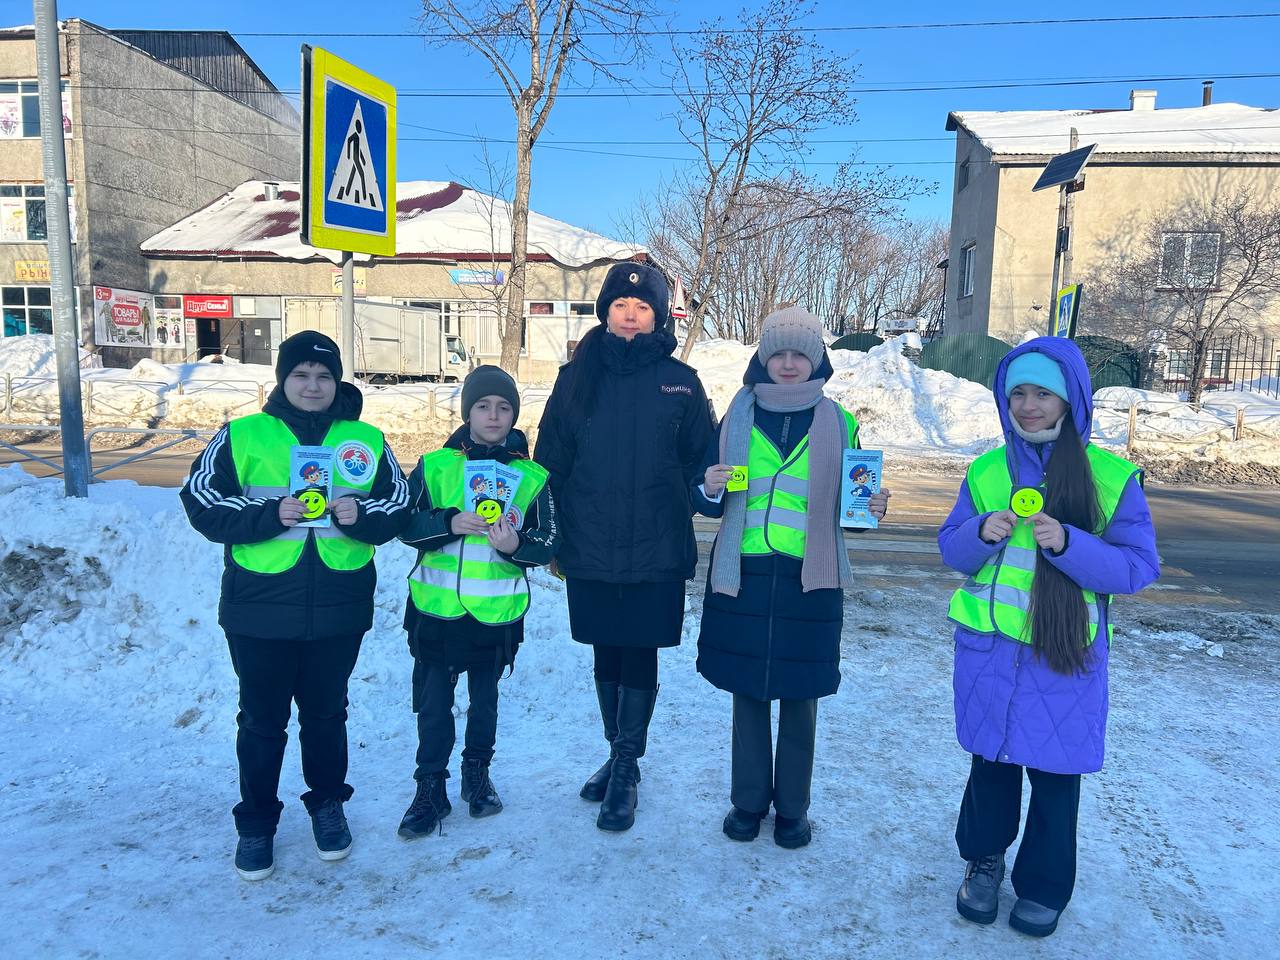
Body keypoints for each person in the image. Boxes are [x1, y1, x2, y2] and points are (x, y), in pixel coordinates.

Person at [938, 337, 1159, 937]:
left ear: (1070, 400)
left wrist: (1069, 544)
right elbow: (951, 552)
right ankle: (982, 865)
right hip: (991, 653)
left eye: (1043, 394)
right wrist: (981, 530)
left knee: (1057, 779)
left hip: (1066, 656)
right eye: (1018, 394)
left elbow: (1137, 568)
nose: (1029, 406)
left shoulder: (1109, 476)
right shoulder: (986, 471)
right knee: (991, 767)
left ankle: (1043, 886)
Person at [181, 331, 411, 881]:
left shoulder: (365, 439)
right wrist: (269, 514)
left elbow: (400, 503)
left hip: (338, 606)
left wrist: (363, 515)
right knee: (262, 723)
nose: (313, 385)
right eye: (302, 374)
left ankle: (328, 805)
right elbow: (201, 500)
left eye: (325, 376)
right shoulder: (243, 434)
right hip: (259, 608)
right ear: (283, 378)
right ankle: (256, 823)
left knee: (327, 716)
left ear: (338, 383)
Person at [693, 307, 889, 849]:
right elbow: (706, 499)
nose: (786, 363)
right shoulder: (734, 417)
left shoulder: (841, 422)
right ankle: (747, 802)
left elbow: (854, 501)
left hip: (811, 577)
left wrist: (869, 505)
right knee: (748, 694)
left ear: (816, 359)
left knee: (801, 699)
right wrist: (707, 487)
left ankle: (793, 809)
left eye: (798, 354)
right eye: (776, 353)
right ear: (762, 357)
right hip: (746, 571)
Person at [535, 260, 715, 832]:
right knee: (604, 652)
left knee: (639, 653)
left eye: (642, 307)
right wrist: (548, 529)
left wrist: (698, 496)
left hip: (656, 546)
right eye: (620, 306)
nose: (631, 315)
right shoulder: (575, 377)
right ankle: (618, 754)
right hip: (588, 543)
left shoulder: (681, 382)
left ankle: (627, 769)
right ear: (606, 312)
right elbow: (551, 461)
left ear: (659, 315)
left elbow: (701, 464)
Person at [397, 365, 559, 838]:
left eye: (504, 407)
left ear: (514, 415)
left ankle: (477, 776)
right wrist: (447, 522)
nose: (493, 415)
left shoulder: (531, 476)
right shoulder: (435, 465)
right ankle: (429, 786)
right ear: (467, 411)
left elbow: (548, 542)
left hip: (495, 614)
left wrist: (516, 547)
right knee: (432, 705)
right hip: (435, 613)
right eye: (483, 406)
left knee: (484, 701)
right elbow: (404, 526)